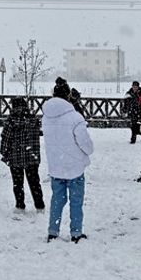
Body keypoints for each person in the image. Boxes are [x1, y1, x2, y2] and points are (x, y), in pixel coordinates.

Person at [42, 88, 95, 242]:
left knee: (57, 200)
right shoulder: (75, 118)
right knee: (76, 200)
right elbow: (85, 144)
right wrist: (88, 151)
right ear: (68, 96)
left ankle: (53, 230)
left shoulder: (46, 117)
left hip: (55, 166)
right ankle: (76, 232)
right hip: (74, 167)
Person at [0, 96, 45, 211]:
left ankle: (20, 205)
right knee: (35, 182)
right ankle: (39, 205)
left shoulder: (11, 120)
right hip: (32, 156)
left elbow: (5, 137)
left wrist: (4, 152)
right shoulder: (34, 119)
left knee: (18, 183)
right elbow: (38, 134)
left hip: (16, 156)